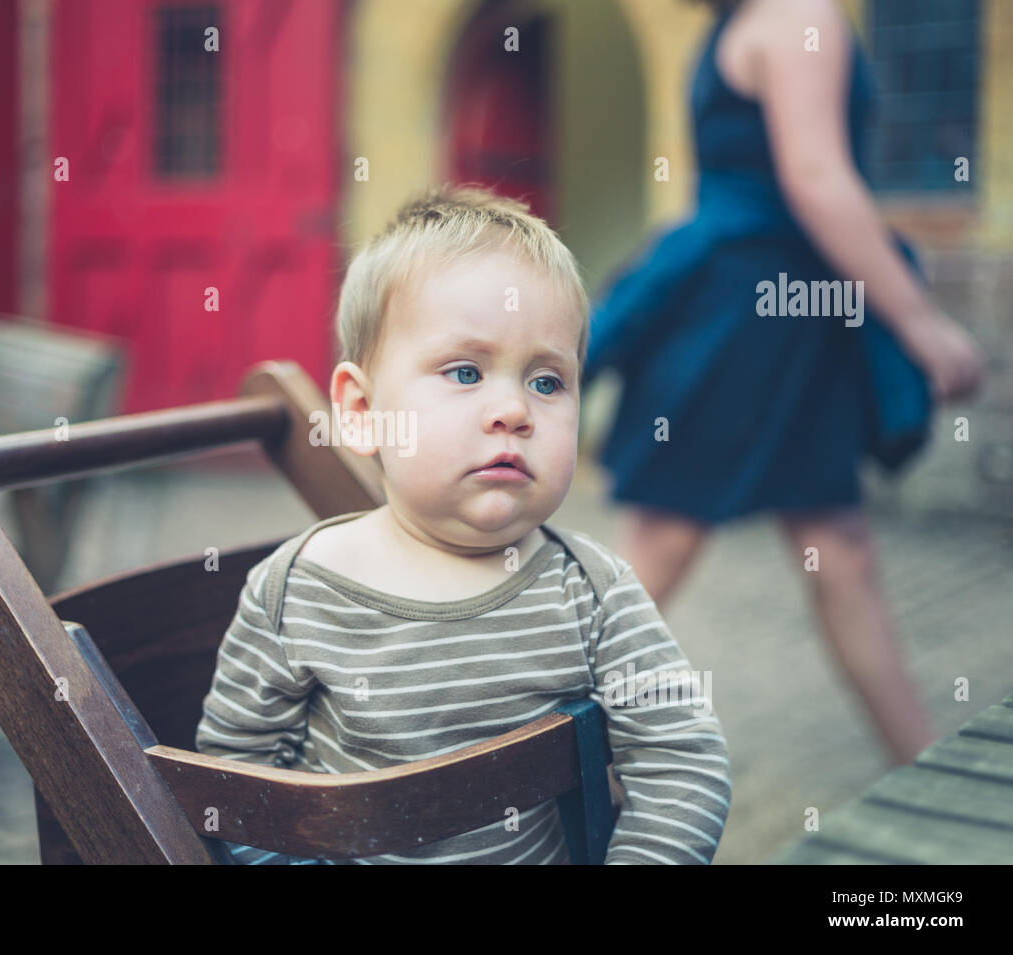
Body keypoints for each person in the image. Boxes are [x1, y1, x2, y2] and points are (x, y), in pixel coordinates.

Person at [195, 185, 731, 864]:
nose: (513, 409)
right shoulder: (298, 592)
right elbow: (233, 787)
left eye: (546, 381)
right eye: (466, 370)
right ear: (362, 411)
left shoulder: (591, 591)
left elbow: (683, 759)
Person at [583, 0, 984, 767]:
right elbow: (816, 176)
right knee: (664, 545)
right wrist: (918, 320)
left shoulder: (738, 23)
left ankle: (931, 769)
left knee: (836, 546)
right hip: (749, 324)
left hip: (761, 318)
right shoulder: (799, 15)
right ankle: (507, 749)